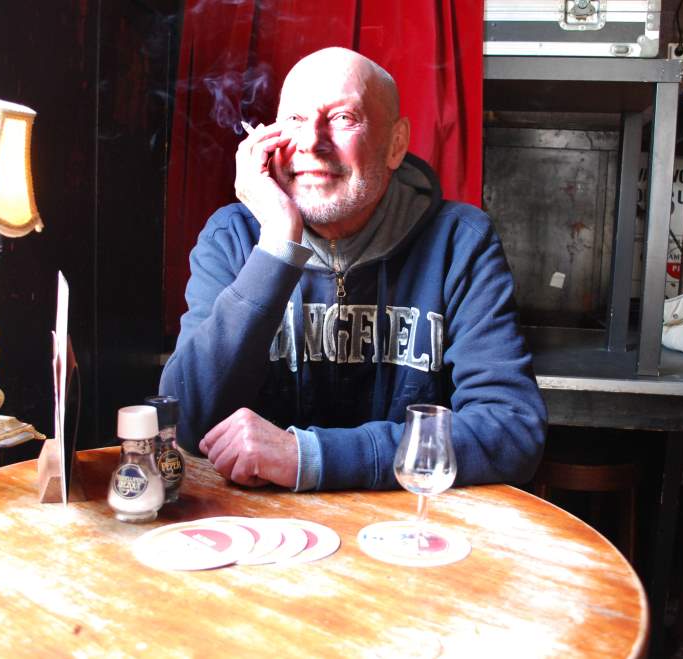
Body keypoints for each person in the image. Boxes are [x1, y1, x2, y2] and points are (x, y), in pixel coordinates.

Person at [159, 47, 547, 491]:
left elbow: (511, 430)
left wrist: (312, 456)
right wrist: (277, 248)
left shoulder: (460, 243)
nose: (311, 142)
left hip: (408, 523)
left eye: (343, 118)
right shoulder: (231, 238)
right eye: (295, 120)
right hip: (262, 524)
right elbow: (186, 422)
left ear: (395, 144)